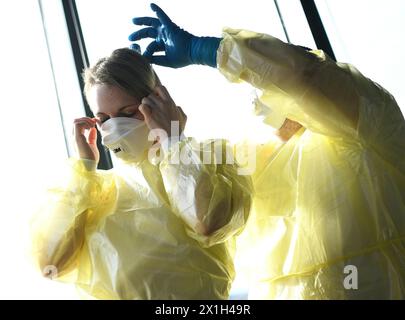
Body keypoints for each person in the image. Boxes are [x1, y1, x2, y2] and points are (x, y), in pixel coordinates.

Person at [128, 3, 405, 299]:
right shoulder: (258, 162)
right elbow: (204, 214)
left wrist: (203, 50)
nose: (267, 94)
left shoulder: (370, 124)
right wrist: (170, 142)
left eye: (272, 84)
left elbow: (301, 76)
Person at [30, 47, 253, 300]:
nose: (115, 127)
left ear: (158, 102)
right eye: (103, 119)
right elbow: (50, 263)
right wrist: (84, 169)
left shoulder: (212, 157)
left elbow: (207, 221)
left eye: (127, 113)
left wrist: (173, 141)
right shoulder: (96, 191)